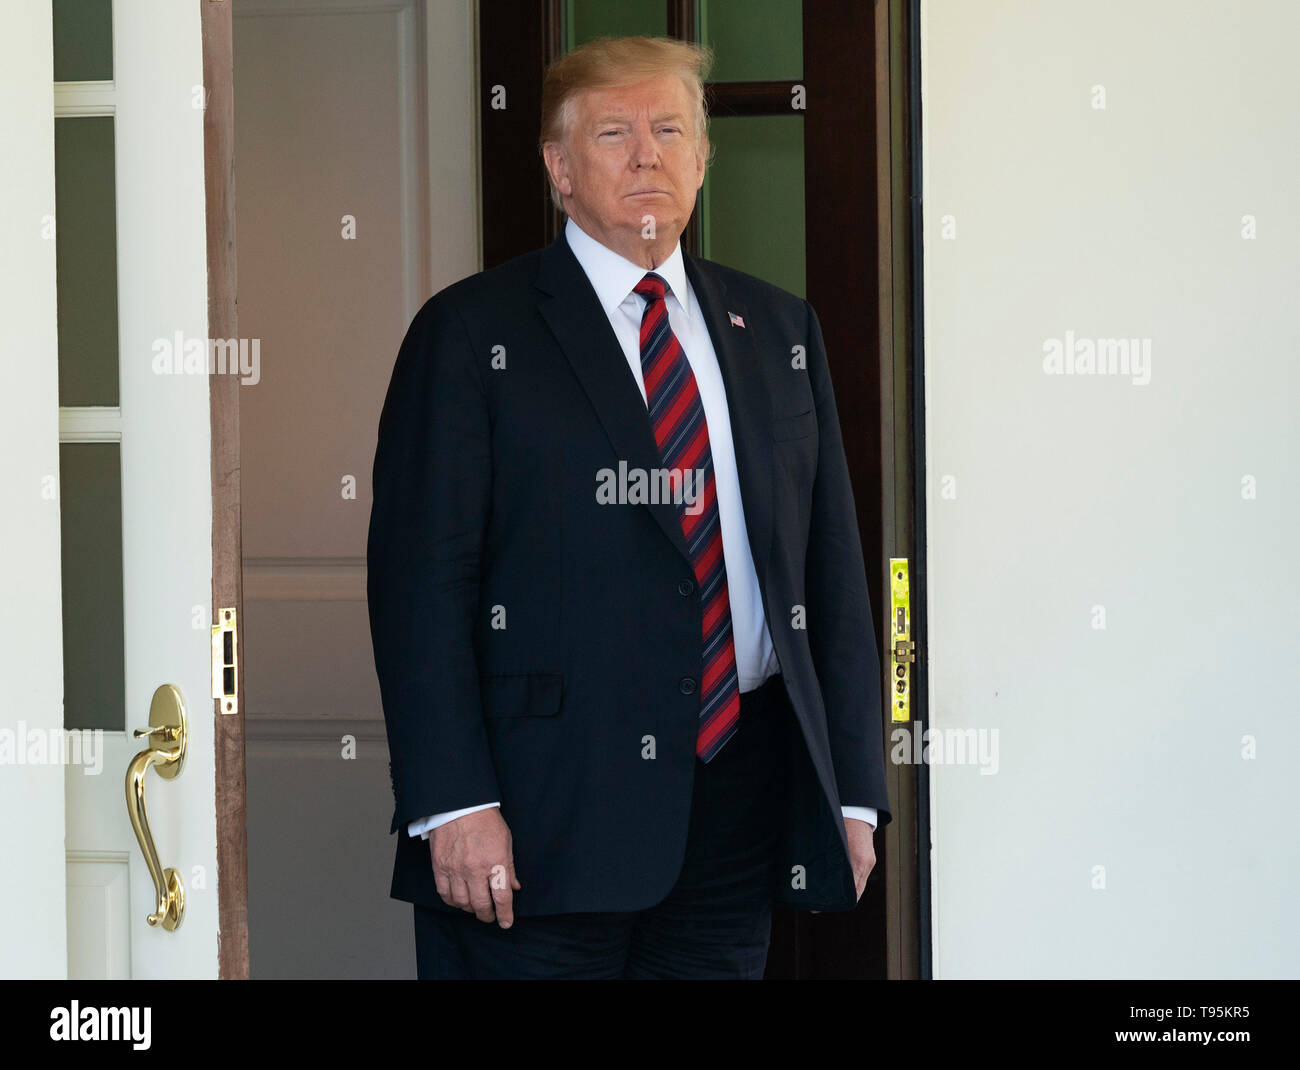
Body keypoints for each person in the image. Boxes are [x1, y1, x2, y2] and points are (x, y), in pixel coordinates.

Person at [366, 35, 891, 979]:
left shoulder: (777, 329)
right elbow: (421, 588)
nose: (647, 153)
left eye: (669, 129)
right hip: (534, 827)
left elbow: (832, 574)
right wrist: (452, 803)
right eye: (614, 132)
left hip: (737, 811)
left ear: (700, 160)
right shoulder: (470, 334)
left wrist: (853, 790)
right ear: (558, 167)